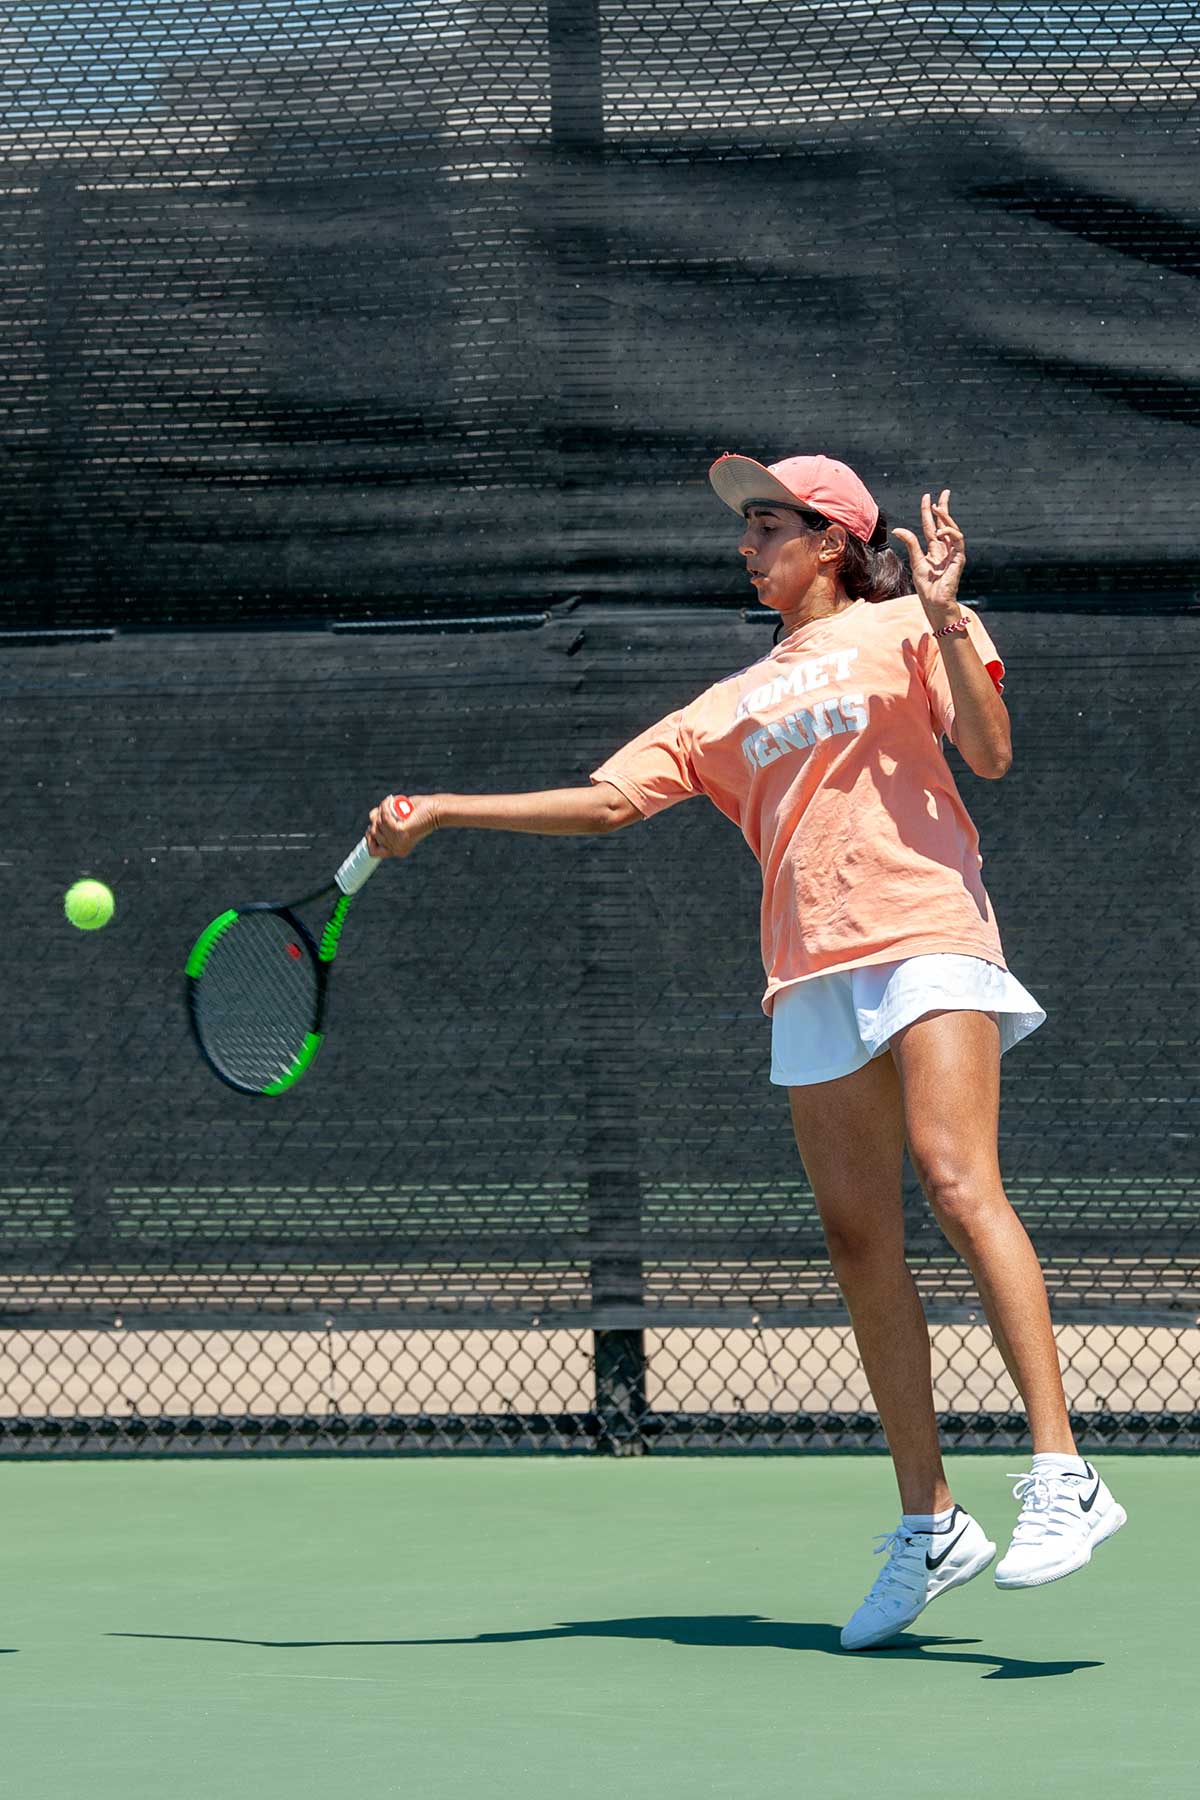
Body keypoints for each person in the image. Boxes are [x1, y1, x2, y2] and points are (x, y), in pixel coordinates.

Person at [365, 451, 1127, 1650]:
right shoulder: (724, 705)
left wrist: (940, 614)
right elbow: (608, 801)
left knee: (955, 1178)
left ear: (831, 541)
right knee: (859, 1242)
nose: (746, 544)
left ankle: (1063, 1473)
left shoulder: (913, 626)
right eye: (748, 527)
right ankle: (931, 1523)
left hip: (928, 934)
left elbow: (989, 753)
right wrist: (448, 810)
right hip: (810, 973)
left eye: (767, 523)